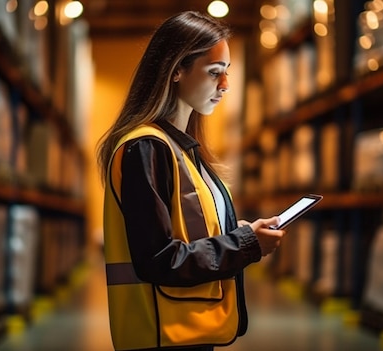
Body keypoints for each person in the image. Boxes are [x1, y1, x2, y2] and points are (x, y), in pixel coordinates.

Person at [97, 11, 284, 351]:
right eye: (215, 73)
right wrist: (244, 245)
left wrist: (237, 231)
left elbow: (186, 232)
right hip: (162, 333)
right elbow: (159, 258)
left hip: (184, 328)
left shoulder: (180, 149)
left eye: (227, 73)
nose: (225, 85)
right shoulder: (146, 147)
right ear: (177, 70)